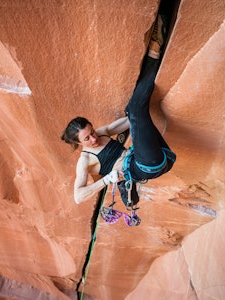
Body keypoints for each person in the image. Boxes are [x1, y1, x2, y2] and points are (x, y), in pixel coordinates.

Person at [61, 9, 176, 221]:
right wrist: (106, 180)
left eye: (92, 131)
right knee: (136, 109)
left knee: (135, 109)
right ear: (78, 143)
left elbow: (129, 121)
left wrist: (135, 116)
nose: (94, 138)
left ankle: (154, 51)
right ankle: (155, 51)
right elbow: (78, 196)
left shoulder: (103, 133)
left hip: (161, 156)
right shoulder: (85, 161)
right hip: (144, 166)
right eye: (87, 138)